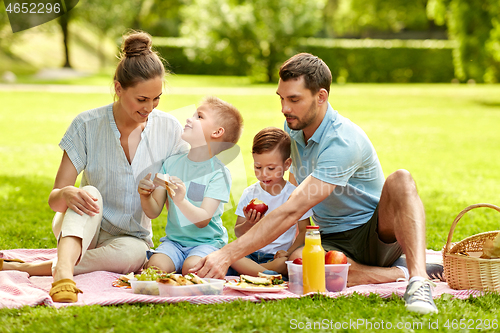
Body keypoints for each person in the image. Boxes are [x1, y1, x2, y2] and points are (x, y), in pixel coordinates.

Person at [191, 53, 439, 314]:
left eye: (294, 99)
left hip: (373, 234)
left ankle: (419, 280)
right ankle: (395, 273)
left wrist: (226, 254)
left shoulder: (342, 141)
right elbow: (294, 188)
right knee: (297, 264)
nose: (285, 108)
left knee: (401, 178)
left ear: (321, 97)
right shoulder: (293, 129)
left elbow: (294, 207)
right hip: (328, 238)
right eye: (282, 98)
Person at [0, 31, 189, 303]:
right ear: (118, 88)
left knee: (135, 255)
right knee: (89, 193)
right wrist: (66, 194)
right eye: (141, 99)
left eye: (156, 98)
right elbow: (55, 199)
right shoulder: (87, 125)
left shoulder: (169, 129)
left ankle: (32, 267)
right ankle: (62, 273)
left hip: (129, 239)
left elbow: (177, 198)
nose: (150, 107)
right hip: (80, 224)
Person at [137, 96, 243, 275]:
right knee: (155, 268)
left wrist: (180, 201)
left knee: (192, 270)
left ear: (217, 132)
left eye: (199, 117)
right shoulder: (171, 164)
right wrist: (145, 196)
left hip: (207, 243)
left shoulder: (218, 173)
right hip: (174, 243)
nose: (189, 119)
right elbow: (153, 212)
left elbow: (203, 220)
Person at [228, 127, 312, 276]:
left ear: (287, 165)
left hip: (277, 257)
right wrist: (249, 223)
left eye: (271, 168)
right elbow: (238, 232)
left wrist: (288, 252)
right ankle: (268, 274)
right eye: (258, 167)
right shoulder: (250, 193)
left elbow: (305, 230)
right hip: (250, 255)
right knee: (229, 253)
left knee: (290, 261)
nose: (263, 174)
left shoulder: (294, 194)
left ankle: (256, 273)